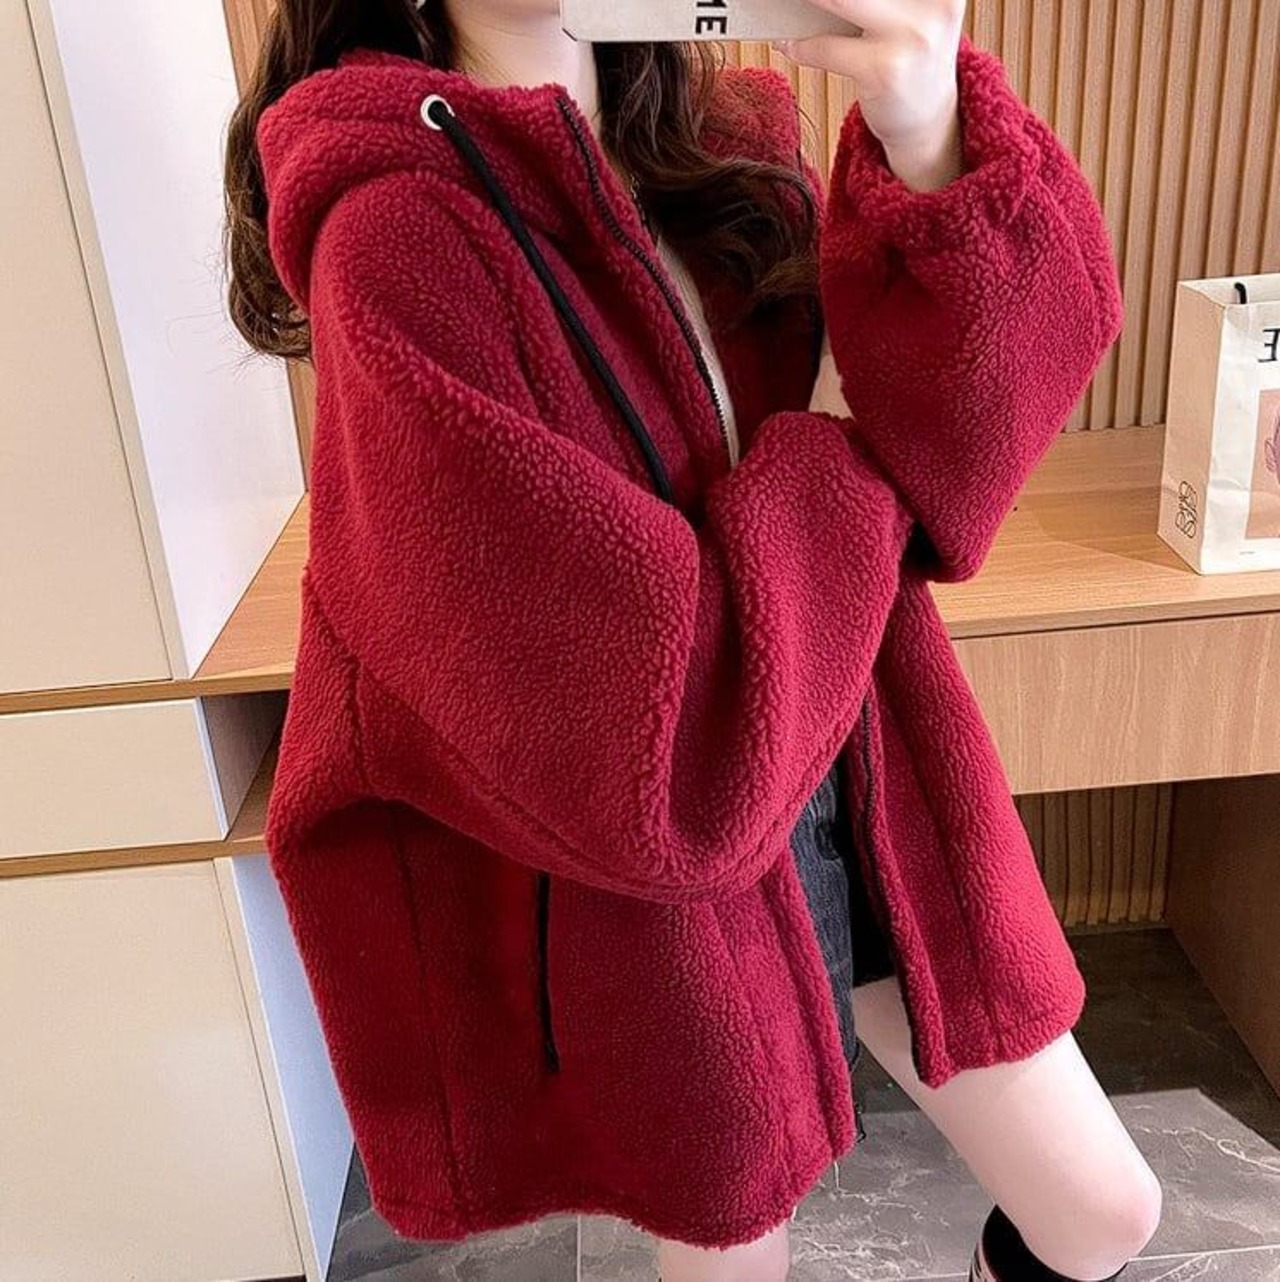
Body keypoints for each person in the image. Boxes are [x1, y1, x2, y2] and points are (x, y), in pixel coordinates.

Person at [222, 2, 1162, 1279]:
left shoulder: (720, 153)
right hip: (656, 870)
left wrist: (927, 129)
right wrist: (844, 446)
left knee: (1101, 1213)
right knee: (733, 1242)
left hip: (854, 751)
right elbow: (643, 741)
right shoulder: (398, 235)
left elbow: (965, 431)